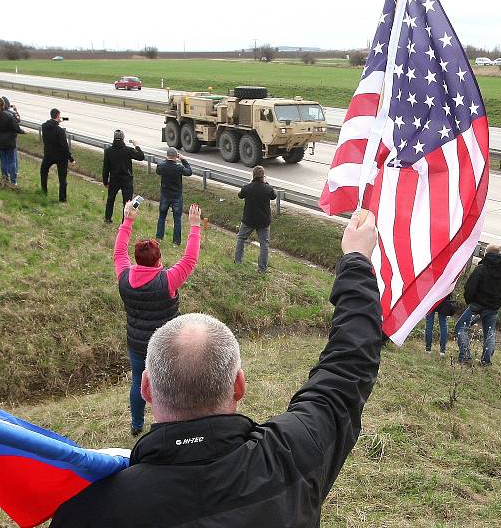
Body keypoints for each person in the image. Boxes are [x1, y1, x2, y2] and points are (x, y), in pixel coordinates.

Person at [50, 211, 382, 528]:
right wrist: (355, 259)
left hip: (138, 346)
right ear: (239, 385)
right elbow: (347, 367)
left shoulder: (90, 510)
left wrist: (126, 222)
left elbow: (119, 257)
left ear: (147, 389)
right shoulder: (292, 454)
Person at [114, 199, 202, 437]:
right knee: (170, 385)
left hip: (137, 344)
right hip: (166, 344)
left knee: (138, 383)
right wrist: (194, 226)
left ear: (137, 259)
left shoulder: (123, 275)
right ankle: (173, 424)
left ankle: (136, 424)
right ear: (158, 260)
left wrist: (128, 219)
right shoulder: (167, 280)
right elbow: (190, 259)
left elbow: (119, 252)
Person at [455, 244, 501, 366]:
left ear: (486, 254)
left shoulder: (481, 268)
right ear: (499, 255)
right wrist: (499, 297)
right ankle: (486, 361)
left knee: (461, 327)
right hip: (492, 307)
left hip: (476, 306)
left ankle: (465, 356)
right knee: (489, 333)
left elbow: (470, 288)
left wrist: (470, 301)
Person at [234, 165, 276, 272]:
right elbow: (273, 196)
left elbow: (240, 195)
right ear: (263, 177)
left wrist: (250, 183)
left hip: (249, 219)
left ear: (253, 176)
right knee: (264, 244)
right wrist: (267, 183)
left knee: (241, 239)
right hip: (263, 221)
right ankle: (262, 268)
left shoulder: (247, 187)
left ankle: (238, 261)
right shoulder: (267, 188)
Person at [102, 130, 144, 223]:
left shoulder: (108, 151)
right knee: (127, 202)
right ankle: (124, 221)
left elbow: (106, 167)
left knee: (110, 199)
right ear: (123, 138)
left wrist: (105, 181)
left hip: (114, 178)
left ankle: (107, 218)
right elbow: (141, 156)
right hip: (126, 179)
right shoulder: (128, 150)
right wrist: (136, 145)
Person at [155, 147, 193, 245]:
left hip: (165, 195)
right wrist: (183, 160)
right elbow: (189, 172)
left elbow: (158, 170)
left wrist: (167, 159)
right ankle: (176, 242)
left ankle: (159, 237)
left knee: (162, 217)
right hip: (176, 196)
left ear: (167, 156)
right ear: (176, 156)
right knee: (177, 219)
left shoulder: (161, 166)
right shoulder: (178, 167)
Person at [0, 97, 25, 189]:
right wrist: (22, 131)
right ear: (4, 104)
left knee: (3, 161)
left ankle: (5, 178)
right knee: (12, 161)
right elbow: (15, 128)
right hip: (10, 142)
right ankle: (13, 181)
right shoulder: (9, 115)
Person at [40, 108, 74, 201]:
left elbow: (51, 123)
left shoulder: (44, 127)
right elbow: (65, 147)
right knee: (62, 179)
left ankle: (44, 192)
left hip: (48, 155)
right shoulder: (60, 131)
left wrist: (57, 121)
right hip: (61, 157)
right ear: (58, 116)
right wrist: (71, 158)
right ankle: (62, 199)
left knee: (43, 172)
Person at [424, 291, 456, 357]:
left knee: (429, 323)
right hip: (444, 299)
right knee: (443, 324)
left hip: (431, 298)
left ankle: (428, 349)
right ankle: (442, 351)